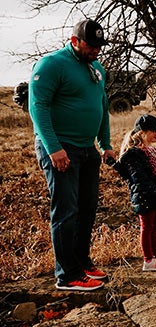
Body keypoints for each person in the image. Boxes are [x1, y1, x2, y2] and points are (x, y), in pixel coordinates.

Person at [29, 19, 116, 291]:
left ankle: (82, 263)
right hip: (59, 147)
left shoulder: (96, 68)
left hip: (86, 148)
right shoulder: (51, 65)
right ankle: (67, 275)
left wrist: (105, 144)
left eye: (99, 46)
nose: (96, 51)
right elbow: (38, 107)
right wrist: (54, 148)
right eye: (90, 46)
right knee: (66, 211)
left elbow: (101, 108)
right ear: (74, 40)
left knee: (87, 209)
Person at [113, 114, 156, 271]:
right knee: (147, 227)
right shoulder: (133, 154)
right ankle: (148, 260)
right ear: (141, 132)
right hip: (145, 196)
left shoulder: (151, 150)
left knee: (154, 227)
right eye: (154, 130)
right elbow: (140, 178)